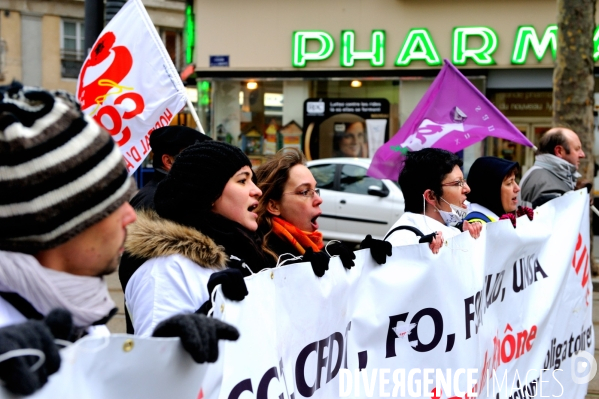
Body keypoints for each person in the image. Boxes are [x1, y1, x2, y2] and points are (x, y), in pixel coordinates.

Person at [0, 82, 239, 396]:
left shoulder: (77, 310)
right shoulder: (12, 336)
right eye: (112, 205)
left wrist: (156, 362)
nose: (130, 216)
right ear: (62, 219)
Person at [121, 141, 275, 336]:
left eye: (252, 180)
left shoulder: (245, 252)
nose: (257, 190)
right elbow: (154, 357)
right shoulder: (167, 271)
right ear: (209, 194)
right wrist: (211, 312)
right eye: (242, 180)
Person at [254, 148, 356, 276]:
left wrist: (368, 264)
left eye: (315, 190)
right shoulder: (261, 257)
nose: (319, 200)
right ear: (274, 206)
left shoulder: (312, 248)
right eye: (305, 192)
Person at [385, 148, 481, 254]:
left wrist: (463, 235)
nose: (467, 189)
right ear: (431, 196)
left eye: (464, 181)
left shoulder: (448, 229)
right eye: (457, 183)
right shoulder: (405, 241)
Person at [129, 125, 210, 210]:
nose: (199, 163)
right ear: (168, 161)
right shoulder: (158, 202)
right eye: (192, 157)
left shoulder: (177, 195)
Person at [520, 127, 586, 207]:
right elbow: (557, 217)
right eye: (577, 149)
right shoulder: (544, 181)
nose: (582, 155)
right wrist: (577, 198)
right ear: (559, 151)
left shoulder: (542, 174)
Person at [465, 157, 533, 227]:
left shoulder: (492, 219)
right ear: (491, 190)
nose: (517, 188)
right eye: (509, 183)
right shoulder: (477, 227)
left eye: (515, 180)